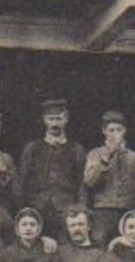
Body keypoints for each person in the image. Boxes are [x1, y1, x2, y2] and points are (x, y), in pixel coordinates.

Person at [18, 98, 87, 240]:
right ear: (44, 120)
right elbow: (22, 181)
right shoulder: (32, 148)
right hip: (36, 208)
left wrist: (80, 210)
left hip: (66, 210)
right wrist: (24, 210)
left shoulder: (77, 149)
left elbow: (82, 184)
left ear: (66, 119)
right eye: (51, 119)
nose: (55, 124)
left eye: (58, 118)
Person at [83, 110, 135, 245]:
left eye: (119, 129)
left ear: (124, 130)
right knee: (100, 245)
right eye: (111, 130)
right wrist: (106, 159)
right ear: (104, 131)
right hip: (103, 213)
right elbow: (89, 182)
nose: (115, 134)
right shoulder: (95, 154)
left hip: (128, 211)